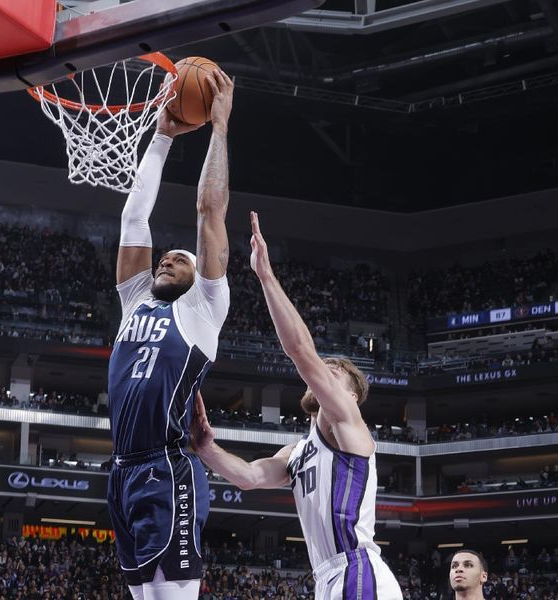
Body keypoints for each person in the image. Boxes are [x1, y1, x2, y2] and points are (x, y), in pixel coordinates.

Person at [190, 212, 402, 599]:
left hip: (357, 568)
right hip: (328, 577)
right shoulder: (298, 453)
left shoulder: (347, 423)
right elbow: (249, 477)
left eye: (333, 371)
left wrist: (265, 276)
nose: (323, 372)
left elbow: (301, 351)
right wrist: (206, 448)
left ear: (351, 396)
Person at [106, 68, 234, 600]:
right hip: (122, 470)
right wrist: (160, 137)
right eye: (164, 257)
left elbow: (209, 210)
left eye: (177, 258)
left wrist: (219, 127)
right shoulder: (134, 299)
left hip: (166, 466)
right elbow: (135, 219)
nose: (165, 259)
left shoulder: (205, 307)